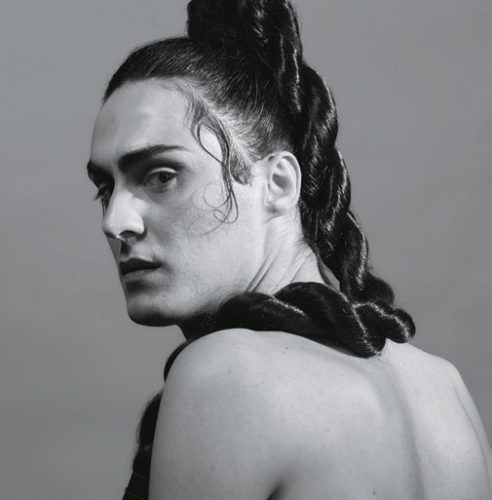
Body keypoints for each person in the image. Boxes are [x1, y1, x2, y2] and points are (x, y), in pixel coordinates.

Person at [87, 0, 492, 498]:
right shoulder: (444, 388)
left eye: (161, 176)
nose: (115, 221)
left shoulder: (226, 374)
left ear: (278, 184)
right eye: (106, 188)